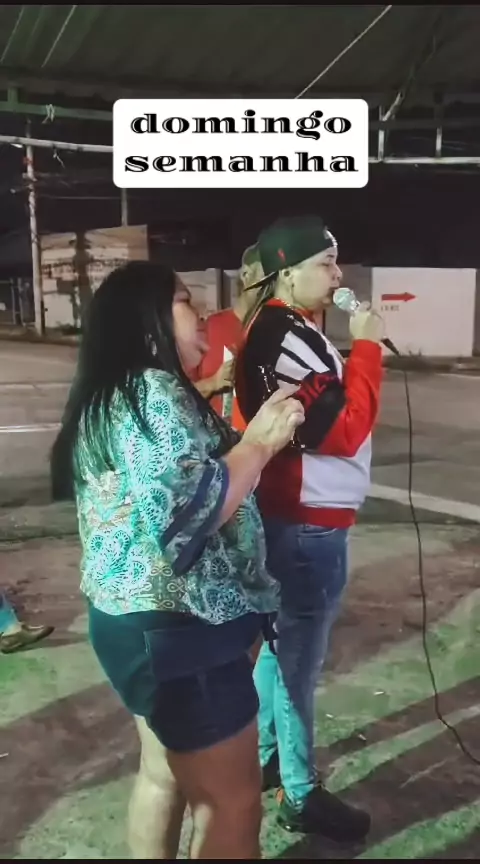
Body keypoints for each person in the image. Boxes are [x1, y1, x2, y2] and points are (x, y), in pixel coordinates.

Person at [50, 260, 304, 860]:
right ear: (148, 320)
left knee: (163, 773)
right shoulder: (151, 393)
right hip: (180, 633)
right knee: (232, 803)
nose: (203, 314)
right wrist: (259, 443)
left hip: (133, 623)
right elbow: (188, 510)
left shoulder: (115, 393)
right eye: (186, 300)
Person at [235, 216, 385, 841]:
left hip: (304, 519)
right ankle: (298, 791)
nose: (338, 273)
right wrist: (368, 349)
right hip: (306, 523)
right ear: (286, 272)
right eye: (325, 262)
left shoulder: (292, 328)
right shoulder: (282, 334)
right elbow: (341, 430)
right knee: (298, 662)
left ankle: (265, 758)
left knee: (282, 650)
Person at [193, 243, 264, 429]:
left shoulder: (280, 334)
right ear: (246, 275)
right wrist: (213, 383)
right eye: (268, 275)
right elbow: (176, 396)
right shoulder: (208, 328)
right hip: (212, 442)